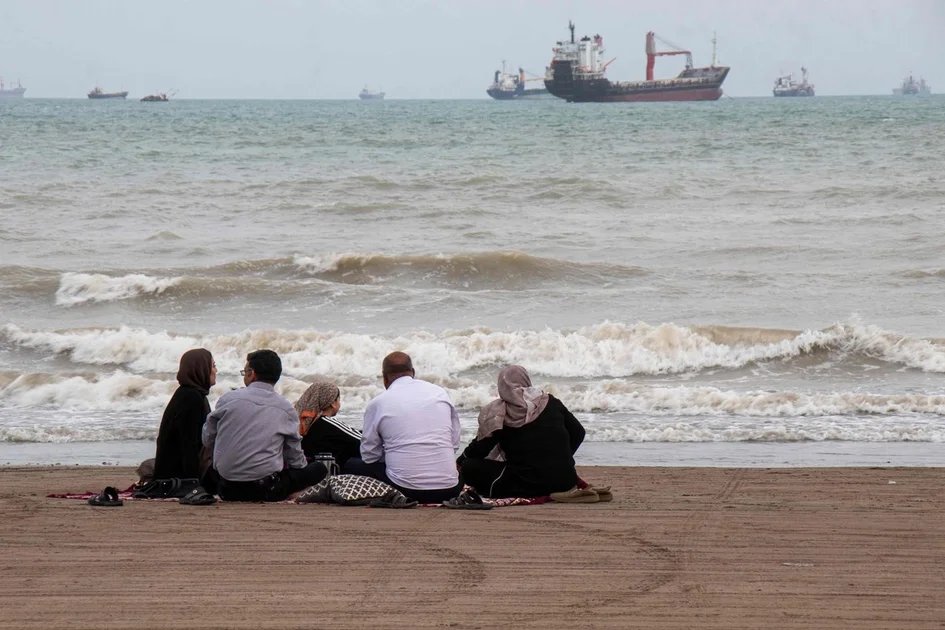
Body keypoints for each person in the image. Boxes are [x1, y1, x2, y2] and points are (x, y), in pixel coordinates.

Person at [202, 349, 327, 502]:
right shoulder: (286, 408)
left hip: (225, 488)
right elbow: (295, 457)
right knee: (319, 468)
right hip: (266, 490)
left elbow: (207, 439)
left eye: (245, 371)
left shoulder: (227, 399)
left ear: (252, 373)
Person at [343, 351, 462, 503]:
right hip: (451, 488)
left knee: (352, 464)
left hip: (406, 489)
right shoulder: (440, 393)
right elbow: (454, 443)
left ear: (385, 378)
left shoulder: (378, 403)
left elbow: (369, 456)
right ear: (413, 372)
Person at [457, 365, 585, 498]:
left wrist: (460, 462)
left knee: (469, 466)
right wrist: (559, 459)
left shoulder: (501, 413)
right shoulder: (551, 401)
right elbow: (579, 432)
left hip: (527, 485)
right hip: (566, 482)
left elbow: (480, 449)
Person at [153, 348, 217, 481]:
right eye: (213, 365)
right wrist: (192, 482)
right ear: (200, 369)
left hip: (177, 472)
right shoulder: (191, 397)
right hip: (178, 476)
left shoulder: (192, 394)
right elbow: (189, 444)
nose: (216, 370)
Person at [294, 381, 362, 470]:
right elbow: (362, 441)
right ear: (333, 403)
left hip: (307, 469)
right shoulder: (327, 423)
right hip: (331, 471)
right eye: (338, 399)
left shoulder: (302, 423)